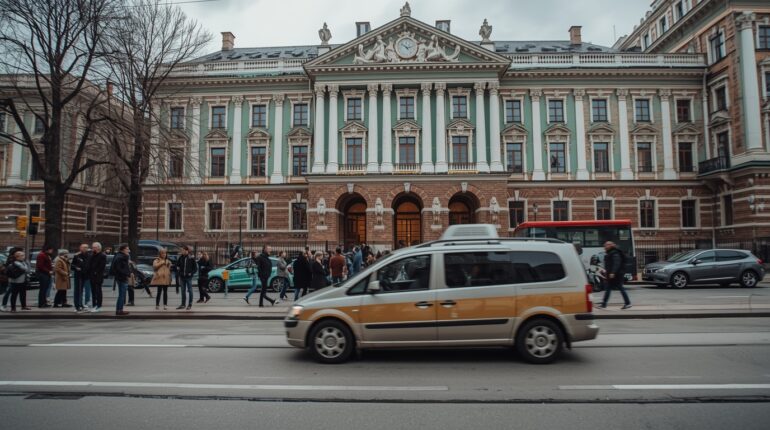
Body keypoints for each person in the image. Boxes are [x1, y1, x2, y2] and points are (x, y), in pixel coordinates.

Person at [599, 241, 632, 310]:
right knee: (608, 288)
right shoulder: (610, 253)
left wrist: (613, 272)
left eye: (606, 245)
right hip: (613, 274)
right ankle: (604, 304)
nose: (605, 246)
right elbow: (610, 264)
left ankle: (628, 303)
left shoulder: (615, 253)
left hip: (616, 275)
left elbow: (616, 263)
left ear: (611, 245)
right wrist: (606, 271)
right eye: (605, 245)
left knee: (619, 288)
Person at [175, 245, 197, 310]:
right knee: (183, 291)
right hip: (182, 277)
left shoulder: (191, 258)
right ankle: (183, 304)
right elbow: (177, 265)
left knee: (190, 290)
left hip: (188, 277)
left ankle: (190, 304)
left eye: (183, 250)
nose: (182, 251)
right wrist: (178, 268)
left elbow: (195, 268)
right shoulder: (180, 257)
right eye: (181, 250)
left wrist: (191, 273)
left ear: (187, 251)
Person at [112, 245, 131, 316]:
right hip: (121, 278)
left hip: (120, 277)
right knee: (122, 295)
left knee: (122, 294)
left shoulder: (119, 256)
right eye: (127, 249)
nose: (128, 250)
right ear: (123, 250)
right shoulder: (121, 257)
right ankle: (119, 310)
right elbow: (119, 268)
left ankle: (119, 309)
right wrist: (126, 274)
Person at [71, 244, 89, 312]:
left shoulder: (89, 256)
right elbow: (72, 266)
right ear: (80, 248)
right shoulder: (77, 256)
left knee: (85, 291)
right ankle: (77, 305)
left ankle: (82, 304)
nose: (85, 249)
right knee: (78, 291)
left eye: (86, 247)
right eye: (84, 247)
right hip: (79, 275)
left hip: (86, 275)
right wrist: (76, 268)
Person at [88, 242, 106, 313]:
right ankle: (94, 305)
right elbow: (89, 264)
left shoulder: (102, 255)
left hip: (98, 276)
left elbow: (101, 266)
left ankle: (99, 305)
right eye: (93, 247)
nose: (93, 249)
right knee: (93, 291)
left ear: (99, 248)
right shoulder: (92, 255)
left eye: (94, 247)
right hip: (92, 276)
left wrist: (96, 272)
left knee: (98, 291)